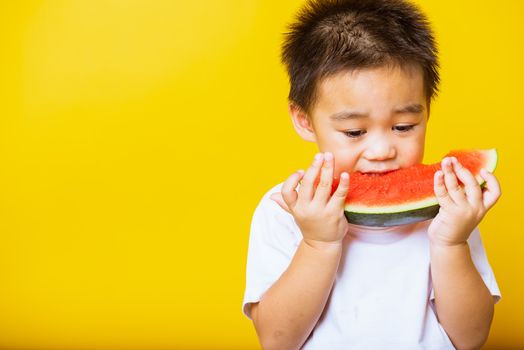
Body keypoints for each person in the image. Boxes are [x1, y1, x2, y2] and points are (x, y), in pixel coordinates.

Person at [242, 0, 502, 349]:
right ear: (304, 119)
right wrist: (318, 243)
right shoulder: (283, 210)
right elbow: (277, 340)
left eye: (404, 126)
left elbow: (470, 339)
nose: (382, 151)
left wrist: (452, 242)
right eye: (354, 132)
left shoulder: (451, 208)